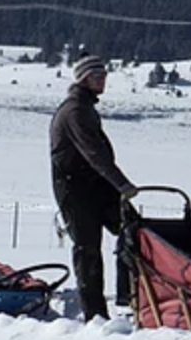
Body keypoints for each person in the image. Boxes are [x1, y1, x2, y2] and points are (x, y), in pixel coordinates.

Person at [50, 54, 138, 321]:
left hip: (95, 184)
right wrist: (122, 184)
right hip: (75, 188)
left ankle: (126, 297)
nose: (103, 79)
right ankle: (95, 314)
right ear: (84, 78)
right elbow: (93, 153)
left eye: (104, 75)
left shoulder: (84, 107)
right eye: (97, 75)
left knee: (133, 229)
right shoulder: (75, 110)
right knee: (88, 249)